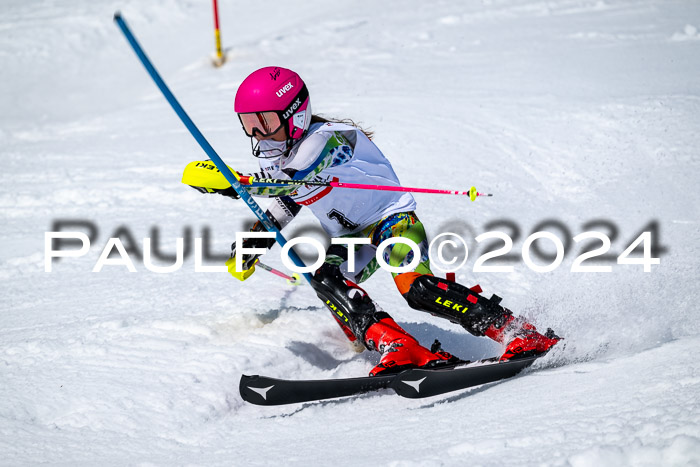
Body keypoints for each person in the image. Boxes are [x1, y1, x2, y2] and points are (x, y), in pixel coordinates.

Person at [183, 66, 561, 376]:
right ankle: (398, 345)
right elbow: (287, 198)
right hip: (352, 238)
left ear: (295, 114)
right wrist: (253, 244)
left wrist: (233, 182)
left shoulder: (330, 138)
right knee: (318, 271)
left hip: (391, 221)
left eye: (264, 121)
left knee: (418, 290)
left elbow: (292, 178)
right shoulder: (277, 157)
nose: (257, 134)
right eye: (249, 124)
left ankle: (517, 331)